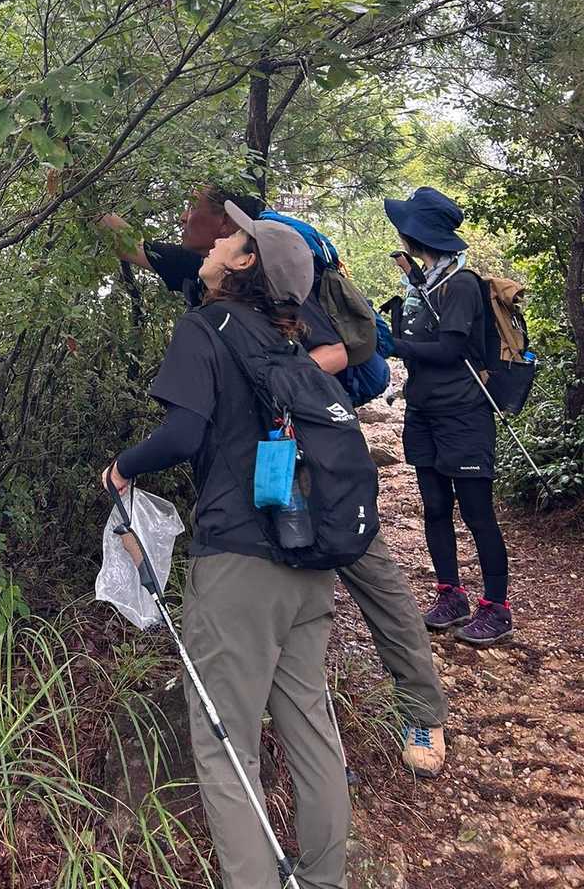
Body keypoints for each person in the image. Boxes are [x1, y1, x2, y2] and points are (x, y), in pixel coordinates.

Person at [101, 184, 449, 776]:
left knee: (370, 569)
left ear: (228, 232)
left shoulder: (277, 280)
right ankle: (280, 712)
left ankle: (422, 710)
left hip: (311, 453)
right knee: (273, 574)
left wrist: (269, 383)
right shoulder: (198, 271)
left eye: (194, 210)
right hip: (251, 463)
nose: (183, 217)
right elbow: (130, 244)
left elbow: (336, 350)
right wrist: (68, 176)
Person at [101, 207, 350, 889]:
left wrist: (122, 468)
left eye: (230, 238)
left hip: (239, 563)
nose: (214, 240)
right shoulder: (287, 340)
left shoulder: (206, 326)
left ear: (243, 264)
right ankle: (325, 879)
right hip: (308, 558)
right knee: (310, 727)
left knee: (224, 746)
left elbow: (183, 434)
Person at [384, 187, 512, 647]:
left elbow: (450, 350)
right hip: (424, 410)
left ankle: (496, 608)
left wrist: (391, 344)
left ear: (416, 234)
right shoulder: (424, 283)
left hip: (463, 413)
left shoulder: (460, 284)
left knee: (477, 513)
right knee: (436, 507)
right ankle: (450, 595)